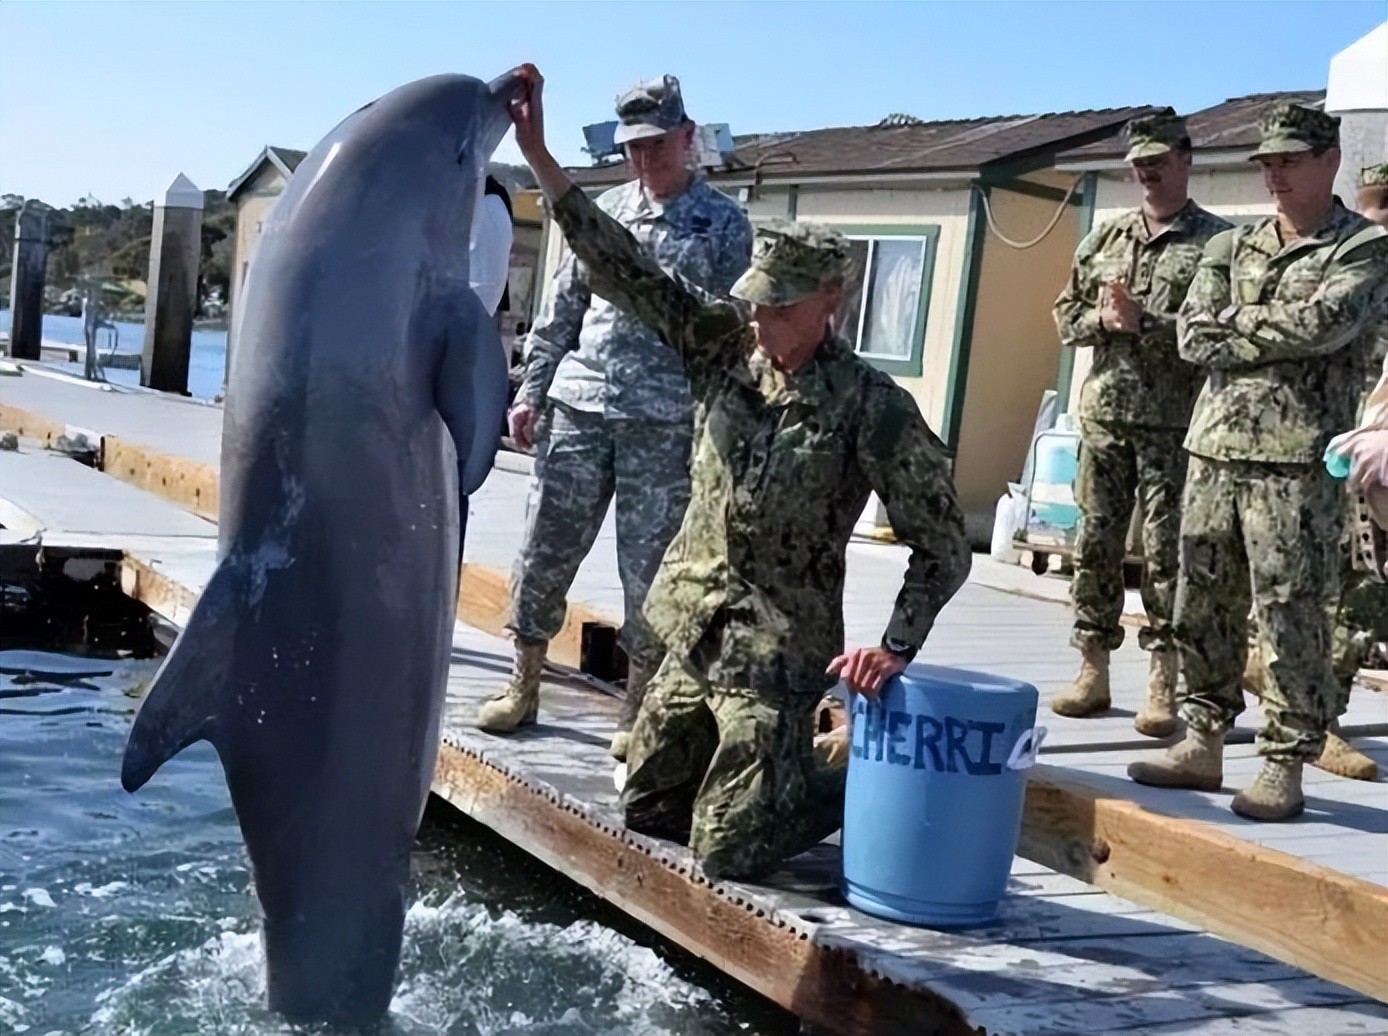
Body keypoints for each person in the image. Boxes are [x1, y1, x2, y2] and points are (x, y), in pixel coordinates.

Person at [505, 64, 972, 881]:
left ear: (830, 300)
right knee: (648, 806)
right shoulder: (722, 348)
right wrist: (542, 156)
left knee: (727, 846)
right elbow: (624, 266)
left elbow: (943, 545)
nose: (760, 319)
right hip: (693, 631)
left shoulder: (873, 406)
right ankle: (766, 771)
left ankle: (850, 768)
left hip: (776, 654)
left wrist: (894, 648)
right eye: (755, 301)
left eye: (780, 308)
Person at [476, 75, 753, 754]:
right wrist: (532, 390)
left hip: (663, 421)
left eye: (657, 144)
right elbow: (562, 309)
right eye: (632, 147)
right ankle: (523, 684)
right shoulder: (598, 212)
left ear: (688, 139)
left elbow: (729, 332)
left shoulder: (724, 225)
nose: (644, 160)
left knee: (652, 573)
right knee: (544, 549)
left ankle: (639, 712)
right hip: (581, 405)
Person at [1128, 104, 1388, 820]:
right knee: (1200, 600)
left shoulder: (1361, 248)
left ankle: (1283, 759)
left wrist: (1237, 324)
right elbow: (1190, 338)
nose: (1275, 174)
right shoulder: (1230, 247)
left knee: (1291, 608)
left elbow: (1326, 323)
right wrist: (1266, 326)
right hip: (1212, 446)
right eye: (1267, 163)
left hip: (1298, 458)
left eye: (1290, 160)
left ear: (1328, 160)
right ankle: (1203, 737)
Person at [1050, 109, 1231, 735]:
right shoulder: (1104, 238)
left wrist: (1147, 320)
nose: (1148, 173)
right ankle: (1092, 669)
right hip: (1104, 417)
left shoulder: (1218, 243)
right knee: (1094, 544)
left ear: (1186, 158)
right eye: (1138, 164)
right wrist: (1101, 321)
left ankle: (1163, 680)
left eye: (1159, 161)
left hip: (1173, 426)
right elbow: (1064, 315)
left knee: (1166, 555)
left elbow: (1221, 334)